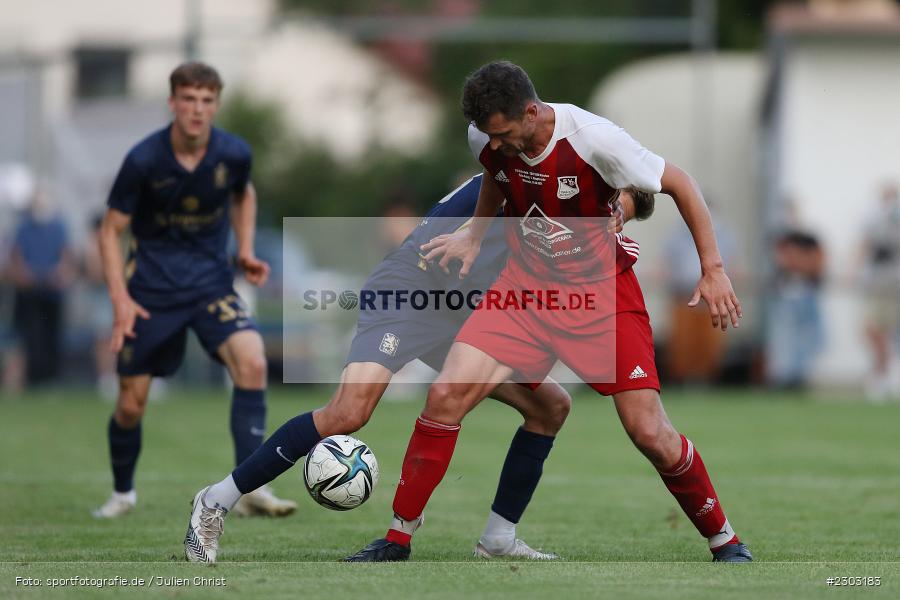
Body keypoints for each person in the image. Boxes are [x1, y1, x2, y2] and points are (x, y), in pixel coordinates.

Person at [346, 61, 752, 563]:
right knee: (447, 393)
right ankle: (396, 539)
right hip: (525, 292)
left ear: (533, 112)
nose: (495, 145)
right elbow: (495, 174)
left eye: (505, 133)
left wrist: (712, 268)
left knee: (649, 432)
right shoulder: (488, 140)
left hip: (601, 298)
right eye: (488, 136)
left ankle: (724, 538)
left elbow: (681, 185)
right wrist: (475, 232)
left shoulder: (595, 139)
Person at [182, 173, 653, 563]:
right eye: (616, 208)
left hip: (464, 308)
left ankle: (498, 538)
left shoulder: (571, 209)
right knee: (349, 412)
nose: (613, 220)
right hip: (411, 288)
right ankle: (216, 500)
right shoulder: (538, 177)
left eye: (623, 219)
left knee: (550, 406)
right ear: (606, 186)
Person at [92, 62, 295, 519]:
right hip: (150, 292)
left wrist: (243, 249)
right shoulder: (143, 160)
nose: (197, 110)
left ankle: (248, 488)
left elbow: (244, 194)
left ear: (216, 105)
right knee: (130, 405)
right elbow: (109, 231)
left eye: (206, 101)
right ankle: (123, 493)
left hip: (210, 285)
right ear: (173, 103)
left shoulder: (234, 153)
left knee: (253, 360)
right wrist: (120, 300)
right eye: (188, 99)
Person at [8, 188, 74, 385]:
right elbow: (16, 255)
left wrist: (60, 274)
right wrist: (23, 275)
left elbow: (66, 254)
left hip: (52, 292)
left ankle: (51, 377)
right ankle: (32, 377)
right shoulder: (23, 227)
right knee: (30, 335)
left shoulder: (59, 226)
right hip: (28, 292)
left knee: (52, 335)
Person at [859, 182, 900, 401]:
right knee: (871, 329)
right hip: (874, 284)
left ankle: (884, 375)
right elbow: (864, 246)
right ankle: (882, 371)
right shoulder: (874, 222)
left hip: (893, 285)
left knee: (887, 331)